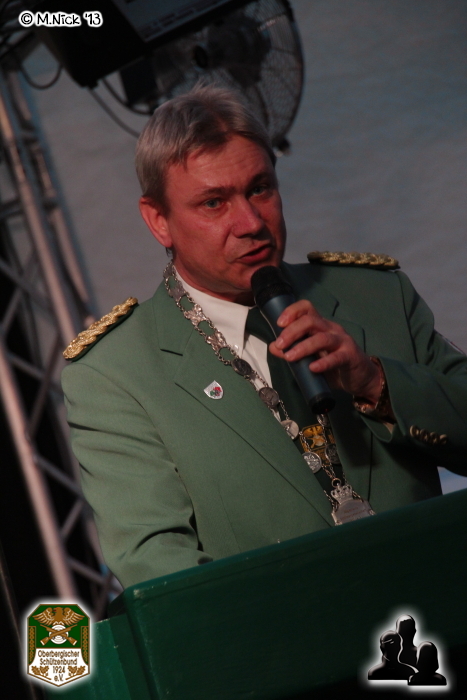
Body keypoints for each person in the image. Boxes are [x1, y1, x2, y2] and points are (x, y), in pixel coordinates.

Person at [62, 84, 467, 589]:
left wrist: (374, 382)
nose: (251, 222)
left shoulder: (376, 295)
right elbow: (159, 569)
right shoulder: (115, 373)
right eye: (214, 203)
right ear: (158, 220)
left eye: (260, 189)